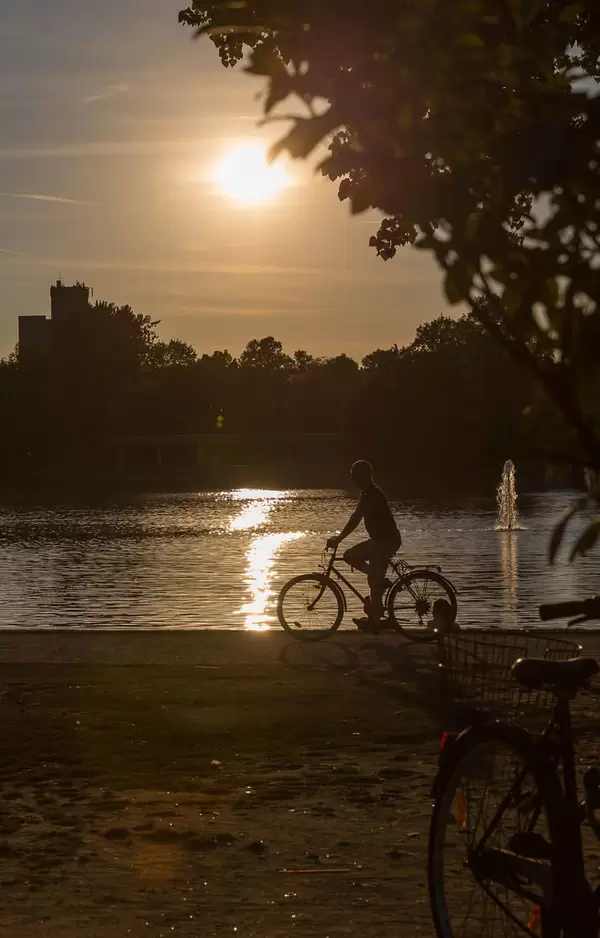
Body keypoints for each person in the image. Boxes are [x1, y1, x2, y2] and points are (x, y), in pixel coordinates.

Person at [326, 460, 401, 632]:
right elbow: (356, 516)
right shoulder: (367, 492)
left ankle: (376, 623)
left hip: (384, 542)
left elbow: (356, 518)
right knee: (369, 576)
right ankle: (379, 612)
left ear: (364, 475)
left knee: (352, 559)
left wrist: (339, 539)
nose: (353, 479)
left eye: (355, 475)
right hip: (381, 541)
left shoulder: (371, 493)